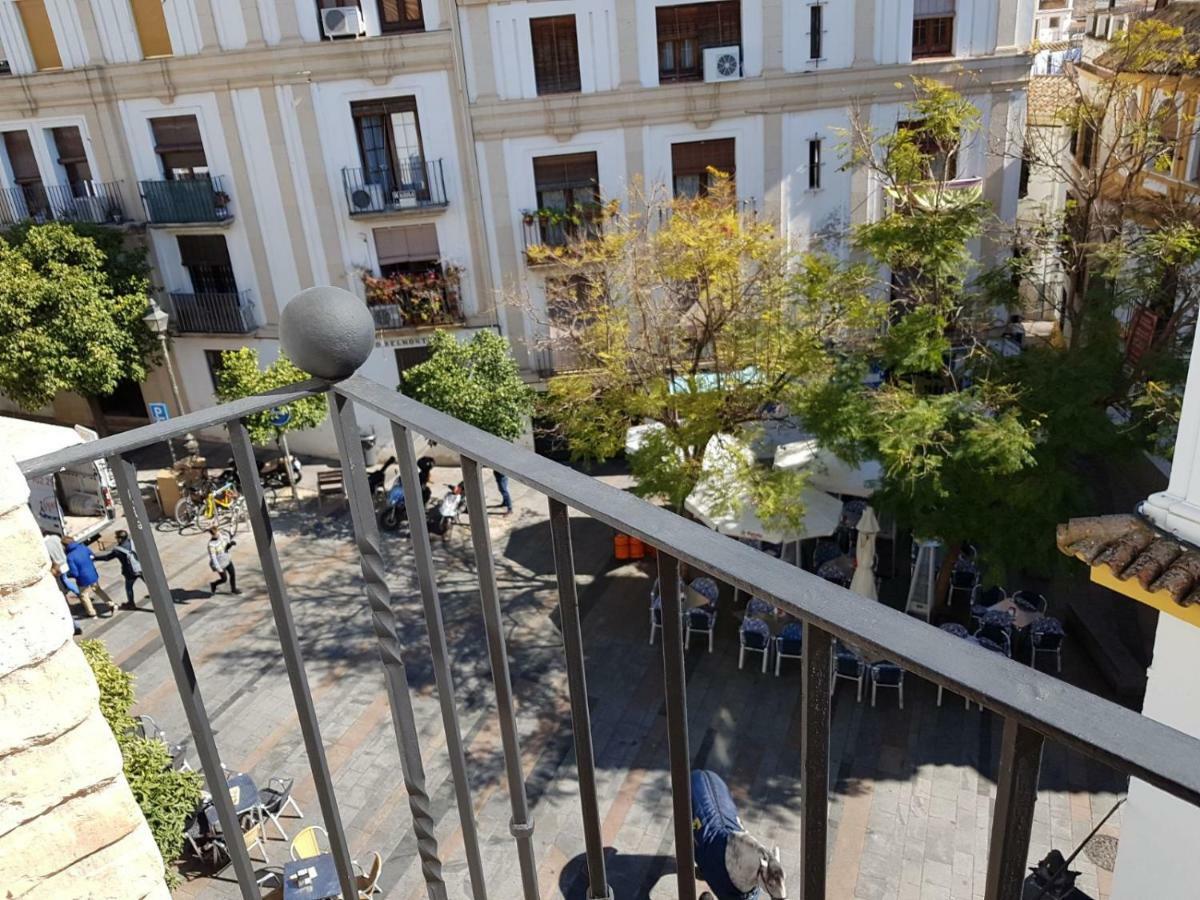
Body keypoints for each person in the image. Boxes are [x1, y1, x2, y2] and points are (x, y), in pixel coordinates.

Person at [62, 535, 115, 618]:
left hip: (82, 579)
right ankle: (111, 603)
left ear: (65, 546)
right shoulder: (83, 547)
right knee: (98, 590)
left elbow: (75, 573)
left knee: (84, 595)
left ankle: (92, 612)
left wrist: (68, 574)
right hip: (92, 574)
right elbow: (92, 556)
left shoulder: (70, 557)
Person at [95, 530, 145, 611]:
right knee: (149, 584)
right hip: (141, 568)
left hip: (130, 573)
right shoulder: (132, 542)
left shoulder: (118, 550)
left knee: (129, 588)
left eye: (117, 537)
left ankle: (131, 603)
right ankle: (158, 596)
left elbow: (107, 558)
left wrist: (95, 558)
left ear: (120, 539)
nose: (116, 539)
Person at [207, 526, 240, 595]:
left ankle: (233, 589)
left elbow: (225, 548)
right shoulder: (211, 545)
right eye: (216, 534)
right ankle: (214, 584)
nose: (218, 535)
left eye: (217, 532)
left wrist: (230, 544)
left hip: (227, 559)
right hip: (220, 562)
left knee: (232, 574)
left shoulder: (221, 536)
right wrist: (218, 568)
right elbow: (213, 557)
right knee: (224, 579)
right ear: (212, 535)